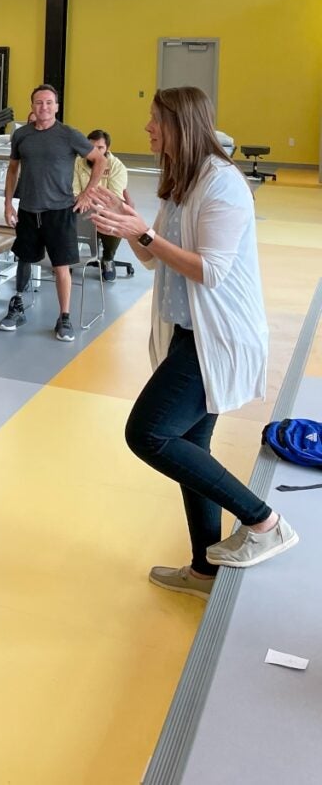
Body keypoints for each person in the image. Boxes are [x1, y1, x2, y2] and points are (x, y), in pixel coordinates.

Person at [87, 86, 297, 596]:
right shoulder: (178, 181)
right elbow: (154, 259)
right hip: (188, 334)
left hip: (220, 336)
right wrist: (127, 223)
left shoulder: (222, 184)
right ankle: (205, 570)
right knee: (191, 444)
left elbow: (213, 272)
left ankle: (264, 521)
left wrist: (143, 233)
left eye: (155, 120)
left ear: (181, 124)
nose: (147, 129)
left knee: (149, 434)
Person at [0, 85, 106, 343]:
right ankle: (18, 305)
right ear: (32, 106)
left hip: (59, 212)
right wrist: (7, 203)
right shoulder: (22, 135)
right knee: (23, 259)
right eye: (38, 102)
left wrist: (87, 193)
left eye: (48, 103)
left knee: (61, 267)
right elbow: (13, 170)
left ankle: (64, 317)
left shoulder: (69, 135)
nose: (43, 107)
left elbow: (100, 161)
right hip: (28, 210)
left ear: (56, 107)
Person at [73, 129, 129, 281]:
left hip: (105, 210)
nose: (95, 151)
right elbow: (74, 191)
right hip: (81, 207)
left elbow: (115, 199)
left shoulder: (117, 167)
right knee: (63, 210)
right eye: (91, 147)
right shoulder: (77, 163)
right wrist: (84, 200)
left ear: (107, 149)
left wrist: (90, 201)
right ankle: (68, 258)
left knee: (117, 216)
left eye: (100, 148)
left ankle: (108, 258)